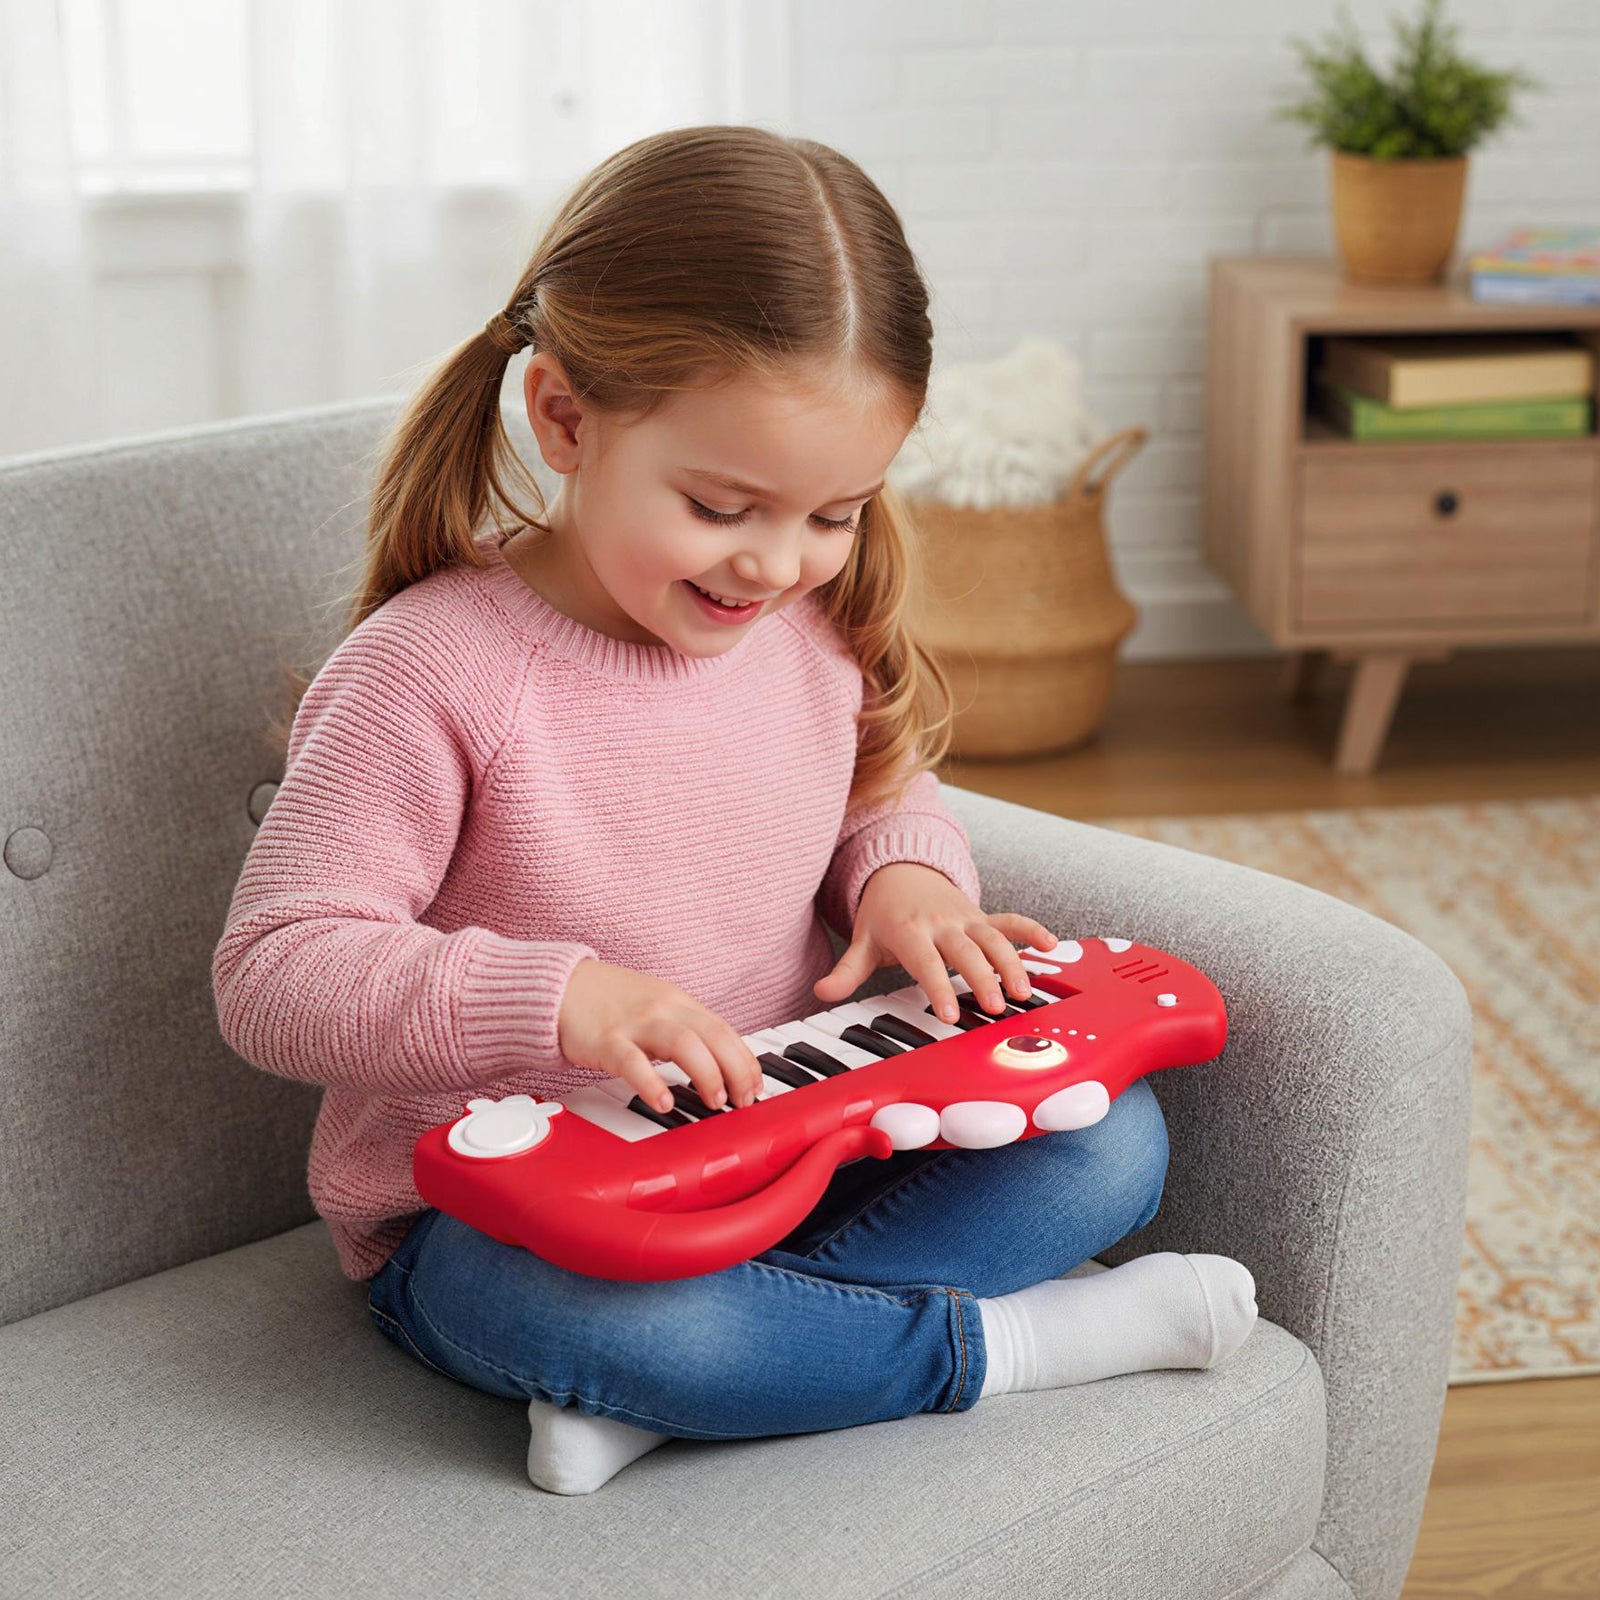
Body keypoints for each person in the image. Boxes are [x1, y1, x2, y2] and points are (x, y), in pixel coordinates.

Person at [212, 124, 1255, 1497]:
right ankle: (1006, 1349)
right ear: (567, 418)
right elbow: (273, 969)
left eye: (836, 513)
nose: (777, 564)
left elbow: (878, 785)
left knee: (1111, 1146)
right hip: (499, 1223)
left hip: (785, 1143)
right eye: (721, 507)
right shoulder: (432, 669)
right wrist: (566, 1004)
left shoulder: (807, 626)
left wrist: (907, 883)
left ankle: (701, 1379)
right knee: (592, 1316)